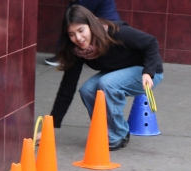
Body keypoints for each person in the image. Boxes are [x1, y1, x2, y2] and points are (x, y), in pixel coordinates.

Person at [48, 5, 163, 151]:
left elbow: (151, 42)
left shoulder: (116, 33)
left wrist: (148, 72)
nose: (78, 38)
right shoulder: (77, 51)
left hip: (147, 72)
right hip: (120, 72)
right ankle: (106, 131)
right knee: (87, 90)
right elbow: (67, 87)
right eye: (72, 34)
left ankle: (118, 135)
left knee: (107, 84)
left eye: (81, 30)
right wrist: (50, 128)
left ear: (90, 25)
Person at [44, 0, 123, 67]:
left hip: (109, 31)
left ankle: (62, 56)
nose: (78, 38)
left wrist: (62, 53)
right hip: (105, 28)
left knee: (74, 22)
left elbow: (76, 16)